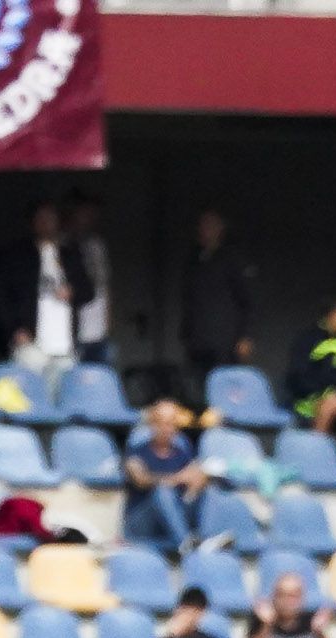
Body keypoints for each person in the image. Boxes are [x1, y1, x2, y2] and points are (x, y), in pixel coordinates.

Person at [0, 200, 91, 395]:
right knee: (28, 400)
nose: (45, 223)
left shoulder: (70, 254)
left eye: (50, 219)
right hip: (31, 344)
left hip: (65, 346)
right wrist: (14, 329)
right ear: (32, 223)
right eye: (40, 219)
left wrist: (72, 292)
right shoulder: (17, 256)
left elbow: (88, 291)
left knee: (62, 401)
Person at [180, 209, 253, 395]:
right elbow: (188, 298)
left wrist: (245, 336)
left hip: (225, 340)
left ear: (220, 230)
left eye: (210, 226)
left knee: (224, 388)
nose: (204, 230)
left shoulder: (232, 259)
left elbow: (247, 300)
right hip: (198, 339)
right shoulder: (194, 260)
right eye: (202, 226)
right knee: (198, 388)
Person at [122, 398, 208, 551]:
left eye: (173, 423)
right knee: (162, 492)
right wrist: (178, 478)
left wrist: (195, 486)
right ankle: (187, 546)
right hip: (141, 525)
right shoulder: (137, 452)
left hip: (173, 518)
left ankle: (207, 541)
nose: (168, 428)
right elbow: (140, 479)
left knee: (211, 493)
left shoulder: (182, 453)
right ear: (152, 424)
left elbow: (195, 478)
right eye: (163, 422)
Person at [288, 293, 336, 433]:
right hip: (311, 402)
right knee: (330, 403)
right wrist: (323, 393)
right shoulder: (308, 340)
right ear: (335, 314)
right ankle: (316, 449)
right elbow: (297, 378)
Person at [66, 190, 111, 365]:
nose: (89, 219)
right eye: (85, 214)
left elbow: (105, 286)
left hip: (98, 330)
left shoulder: (97, 246)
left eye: (92, 215)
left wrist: (107, 324)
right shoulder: (63, 246)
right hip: (71, 332)